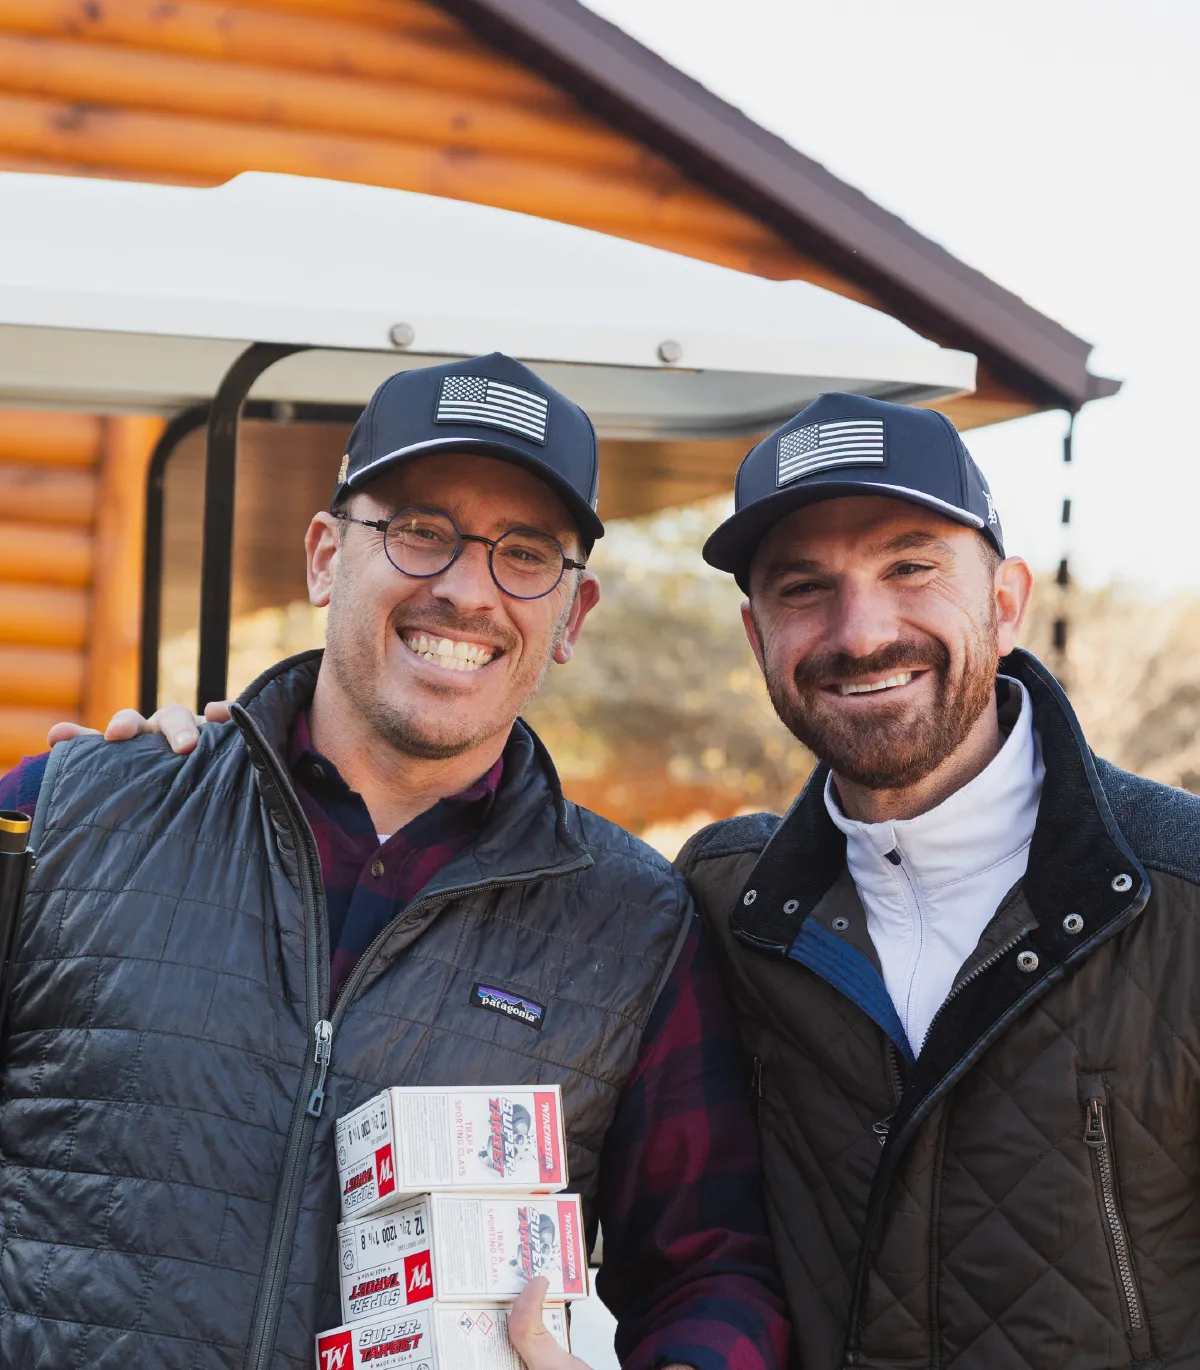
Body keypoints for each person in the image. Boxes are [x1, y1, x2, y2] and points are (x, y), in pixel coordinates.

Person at [0, 354, 788, 1370]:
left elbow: (712, 1264)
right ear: (327, 556)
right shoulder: (69, 814)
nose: (467, 590)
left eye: (526, 552)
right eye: (421, 531)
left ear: (570, 618)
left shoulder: (635, 926)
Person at [678, 390, 1200, 1369]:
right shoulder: (720, 902)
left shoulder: (1185, 892)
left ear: (1005, 602)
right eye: (803, 587)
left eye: (910, 567)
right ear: (757, 638)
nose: (862, 631)